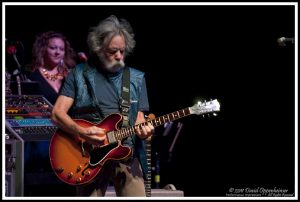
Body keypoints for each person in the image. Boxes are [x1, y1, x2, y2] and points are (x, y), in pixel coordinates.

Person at [51, 15, 154, 197]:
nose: (119, 56)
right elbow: (57, 114)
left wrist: (146, 130)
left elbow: (140, 119)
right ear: (98, 49)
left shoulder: (136, 79)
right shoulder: (78, 74)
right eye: (112, 51)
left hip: (127, 154)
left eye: (122, 51)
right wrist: (82, 132)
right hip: (87, 156)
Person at [28, 31, 77, 105]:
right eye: (53, 48)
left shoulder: (70, 75)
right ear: (43, 49)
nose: (58, 52)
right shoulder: (33, 76)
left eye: (62, 49)